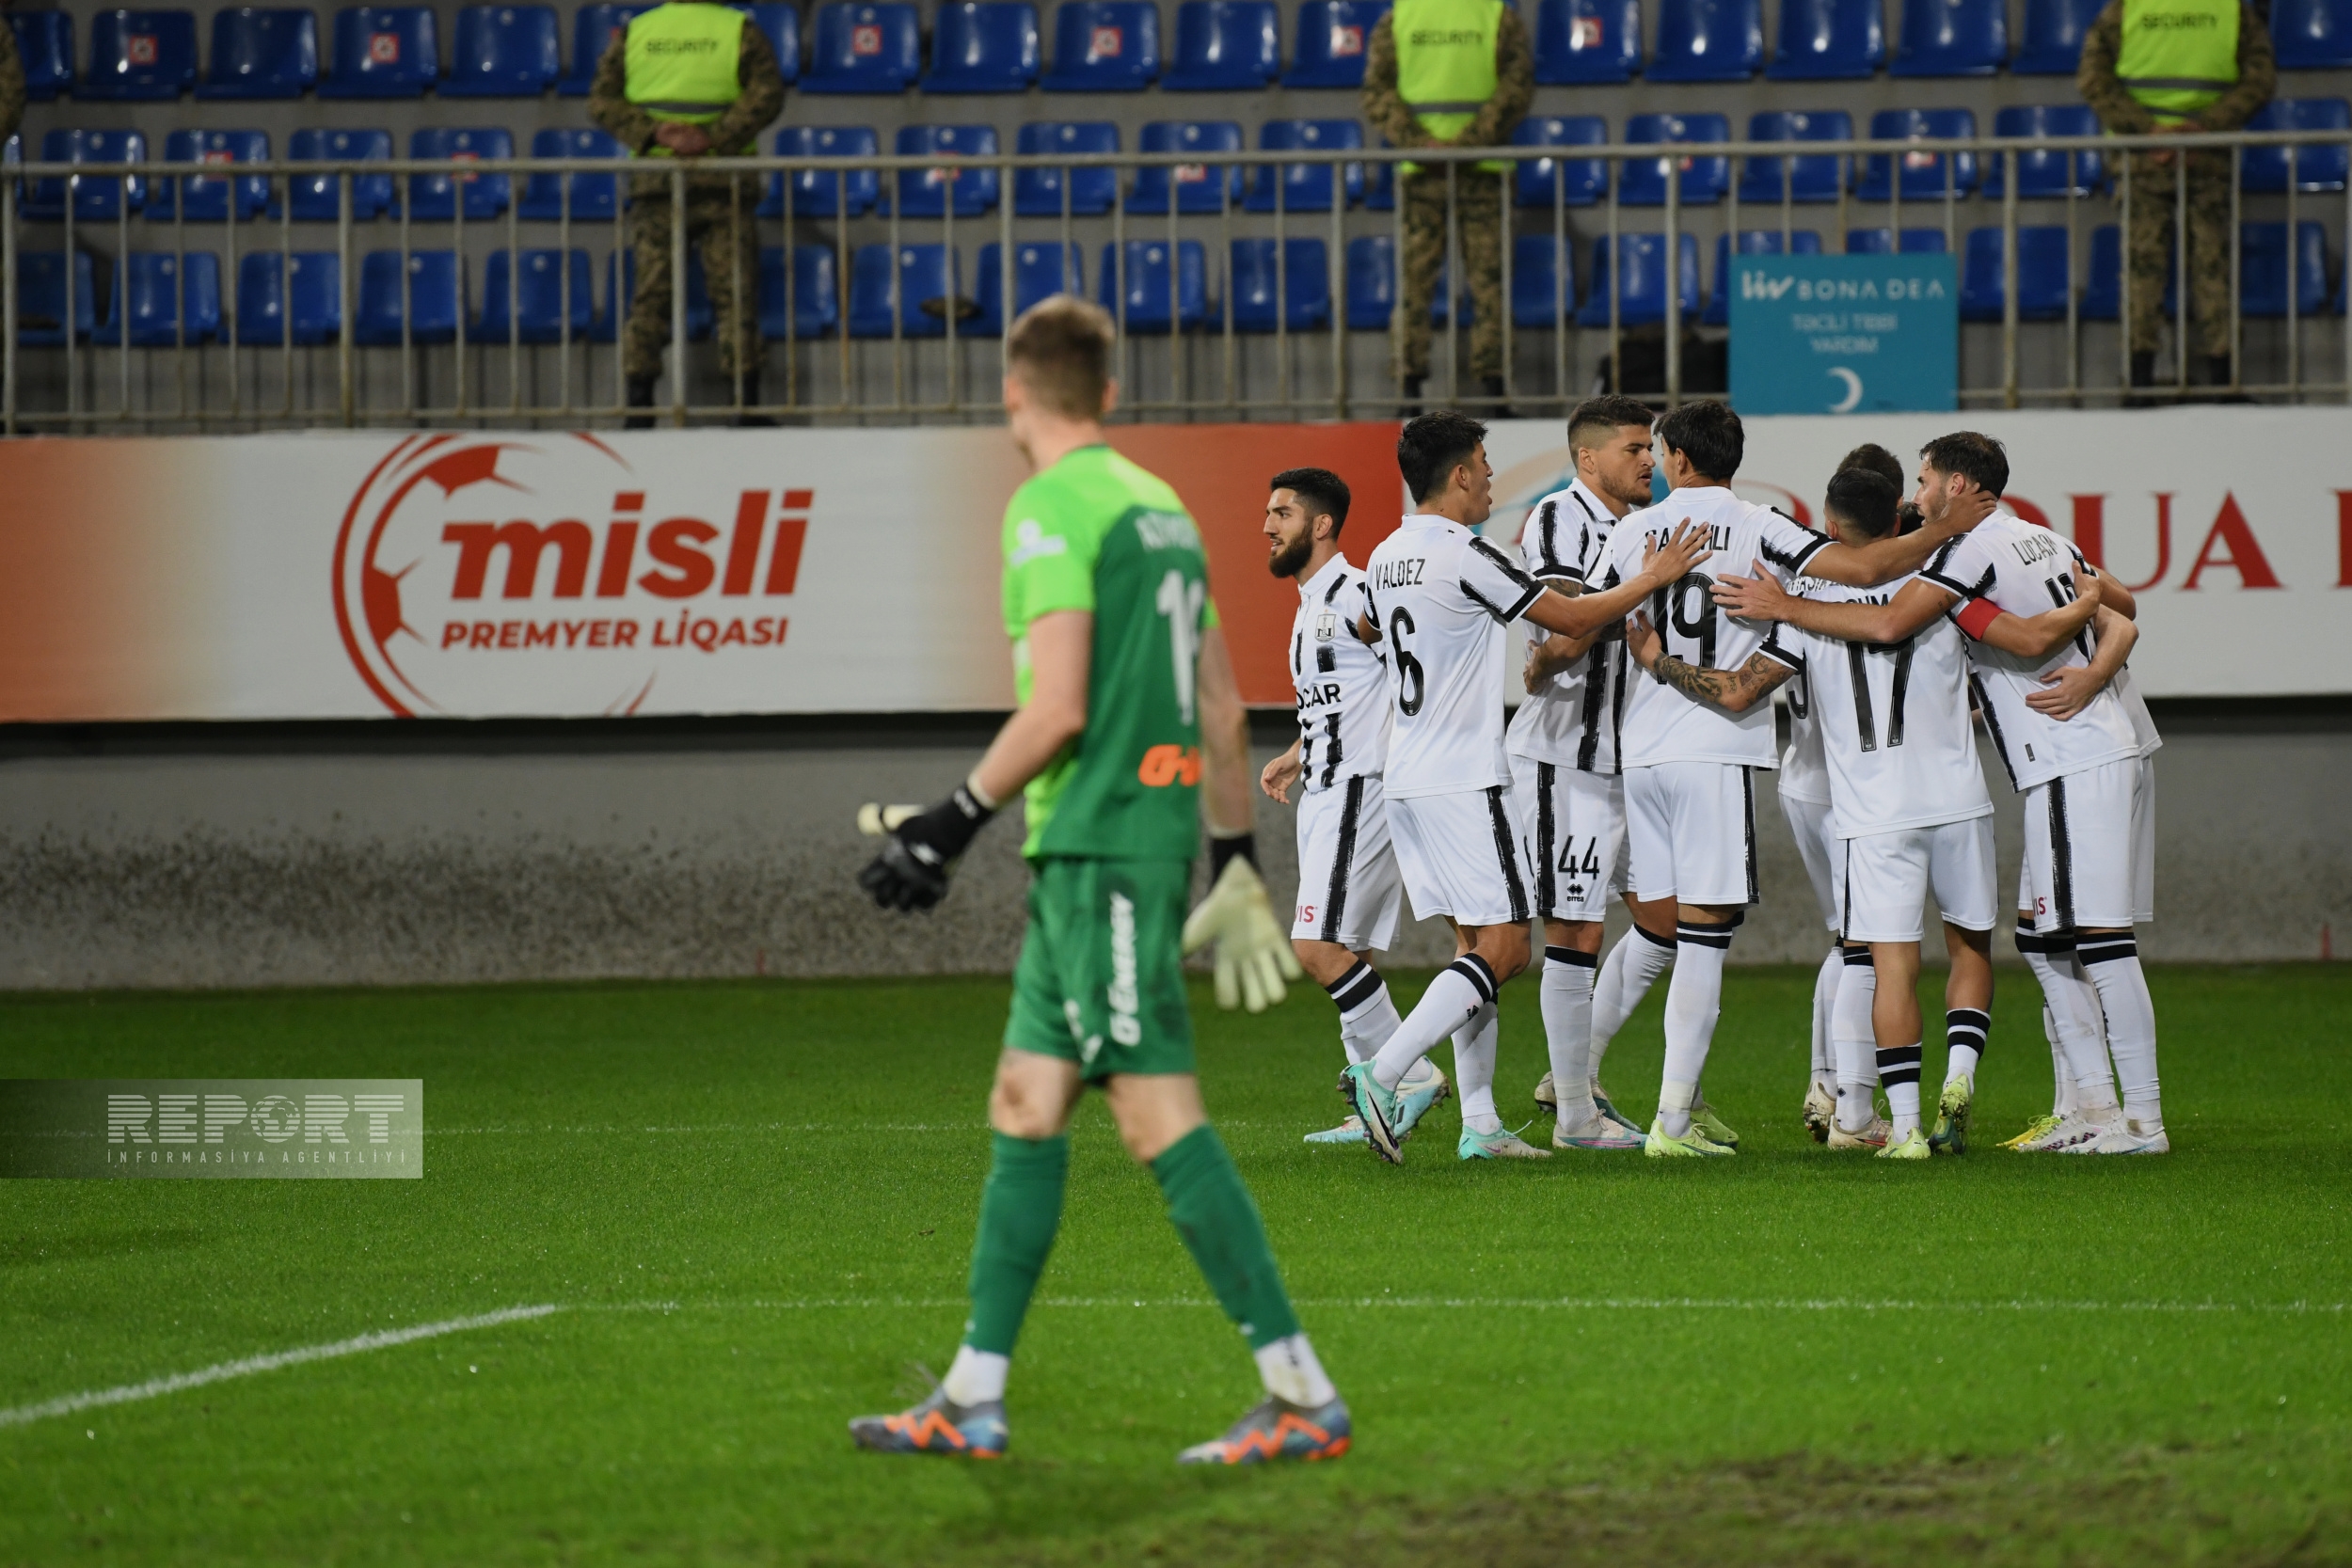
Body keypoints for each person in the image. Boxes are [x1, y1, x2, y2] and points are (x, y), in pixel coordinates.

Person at [850, 295, 1351, 1466]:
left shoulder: (1049, 507)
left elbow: (1059, 705)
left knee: (1154, 1112)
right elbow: (1220, 705)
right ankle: (972, 1395)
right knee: (1026, 1100)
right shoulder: (1160, 508)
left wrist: (946, 823)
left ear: (1012, 393)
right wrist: (1234, 862)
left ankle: (1299, 1391)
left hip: (1103, 855)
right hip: (1123, 851)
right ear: (1111, 393)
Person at [1715, 433, 2167, 1156]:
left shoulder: (1953, 562)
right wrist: (2090, 648)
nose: (1916, 495)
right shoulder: (2035, 539)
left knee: (1893, 955)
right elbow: (2121, 609)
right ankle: (2078, 1103)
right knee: (2030, 941)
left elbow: (1887, 624)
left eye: (1924, 479)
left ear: (1957, 485)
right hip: (1977, 793)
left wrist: (1780, 606)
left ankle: (2130, 1120)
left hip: (1998, 775)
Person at [1593, 401, 1973, 1158]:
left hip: (1641, 750)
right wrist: (1946, 529)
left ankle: (1595, 1092)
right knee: (1704, 941)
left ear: (1677, 458)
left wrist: (1647, 658)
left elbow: (1589, 613)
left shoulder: (1631, 531)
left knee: (1663, 934)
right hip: (1713, 748)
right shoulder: (1760, 525)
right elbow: (1865, 568)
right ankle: (1672, 1120)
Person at [1338, 412, 1713, 1164]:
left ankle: (1480, 1122)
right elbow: (1567, 618)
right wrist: (1652, 577)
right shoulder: (1465, 552)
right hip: (1463, 776)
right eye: (1482, 462)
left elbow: (1366, 627)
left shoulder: (1385, 553)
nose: (1489, 475)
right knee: (1507, 950)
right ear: (1458, 475)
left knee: (1475, 949)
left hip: (1407, 774)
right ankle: (1385, 1072)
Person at [1257, 467, 1451, 1146]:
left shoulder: (1360, 592)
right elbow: (1344, 697)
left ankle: (1409, 1075)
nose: (1267, 526)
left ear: (1321, 525)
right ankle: (1372, 1102)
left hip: (1359, 789)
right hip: (1324, 788)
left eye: (1282, 513)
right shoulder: (1311, 602)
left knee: (1316, 947)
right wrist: (1298, 751)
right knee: (1351, 950)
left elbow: (1412, 681)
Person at [1507, 395, 1661, 1152]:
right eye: (1634, 448)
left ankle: (1575, 1072)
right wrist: (1646, 581)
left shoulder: (1648, 526)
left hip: (1634, 761)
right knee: (1575, 927)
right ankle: (1574, 1116)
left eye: (1652, 447)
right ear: (1587, 458)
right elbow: (1562, 633)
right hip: (1566, 755)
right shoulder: (1556, 518)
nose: (1649, 460)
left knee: (1669, 921)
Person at [1788, 442, 1908, 1145]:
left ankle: (1826, 1083)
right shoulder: (1902, 585)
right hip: (1854, 787)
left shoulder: (1804, 575)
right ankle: (1843, 1098)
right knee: (1860, 944)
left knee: (1846, 938)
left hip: (1802, 780)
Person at [589, 0, 785, 427]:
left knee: (650, 297)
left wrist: (655, 134)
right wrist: (713, 138)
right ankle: (745, 407)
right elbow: (768, 94)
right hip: (725, 179)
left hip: (658, 182)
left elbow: (601, 100)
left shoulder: (638, 31)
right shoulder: (737, 29)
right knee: (735, 296)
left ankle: (639, 409)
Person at [2077, 0, 2274, 395]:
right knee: (2213, 266)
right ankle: (2224, 381)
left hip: (2143, 157)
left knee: (2143, 269)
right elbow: (2260, 78)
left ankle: (2139, 381)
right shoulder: (2230, 9)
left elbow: (2093, 78)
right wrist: (2204, 130)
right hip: (2206, 154)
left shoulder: (2127, 7)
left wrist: (2149, 133)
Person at [1361, 0, 1534, 413]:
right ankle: (1495, 392)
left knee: (1417, 284)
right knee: (1488, 283)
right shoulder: (1496, 15)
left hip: (1426, 171)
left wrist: (1423, 146)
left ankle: (1410, 393)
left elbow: (1376, 92)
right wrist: (1468, 145)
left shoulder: (1400, 17)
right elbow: (1516, 87)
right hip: (1481, 168)